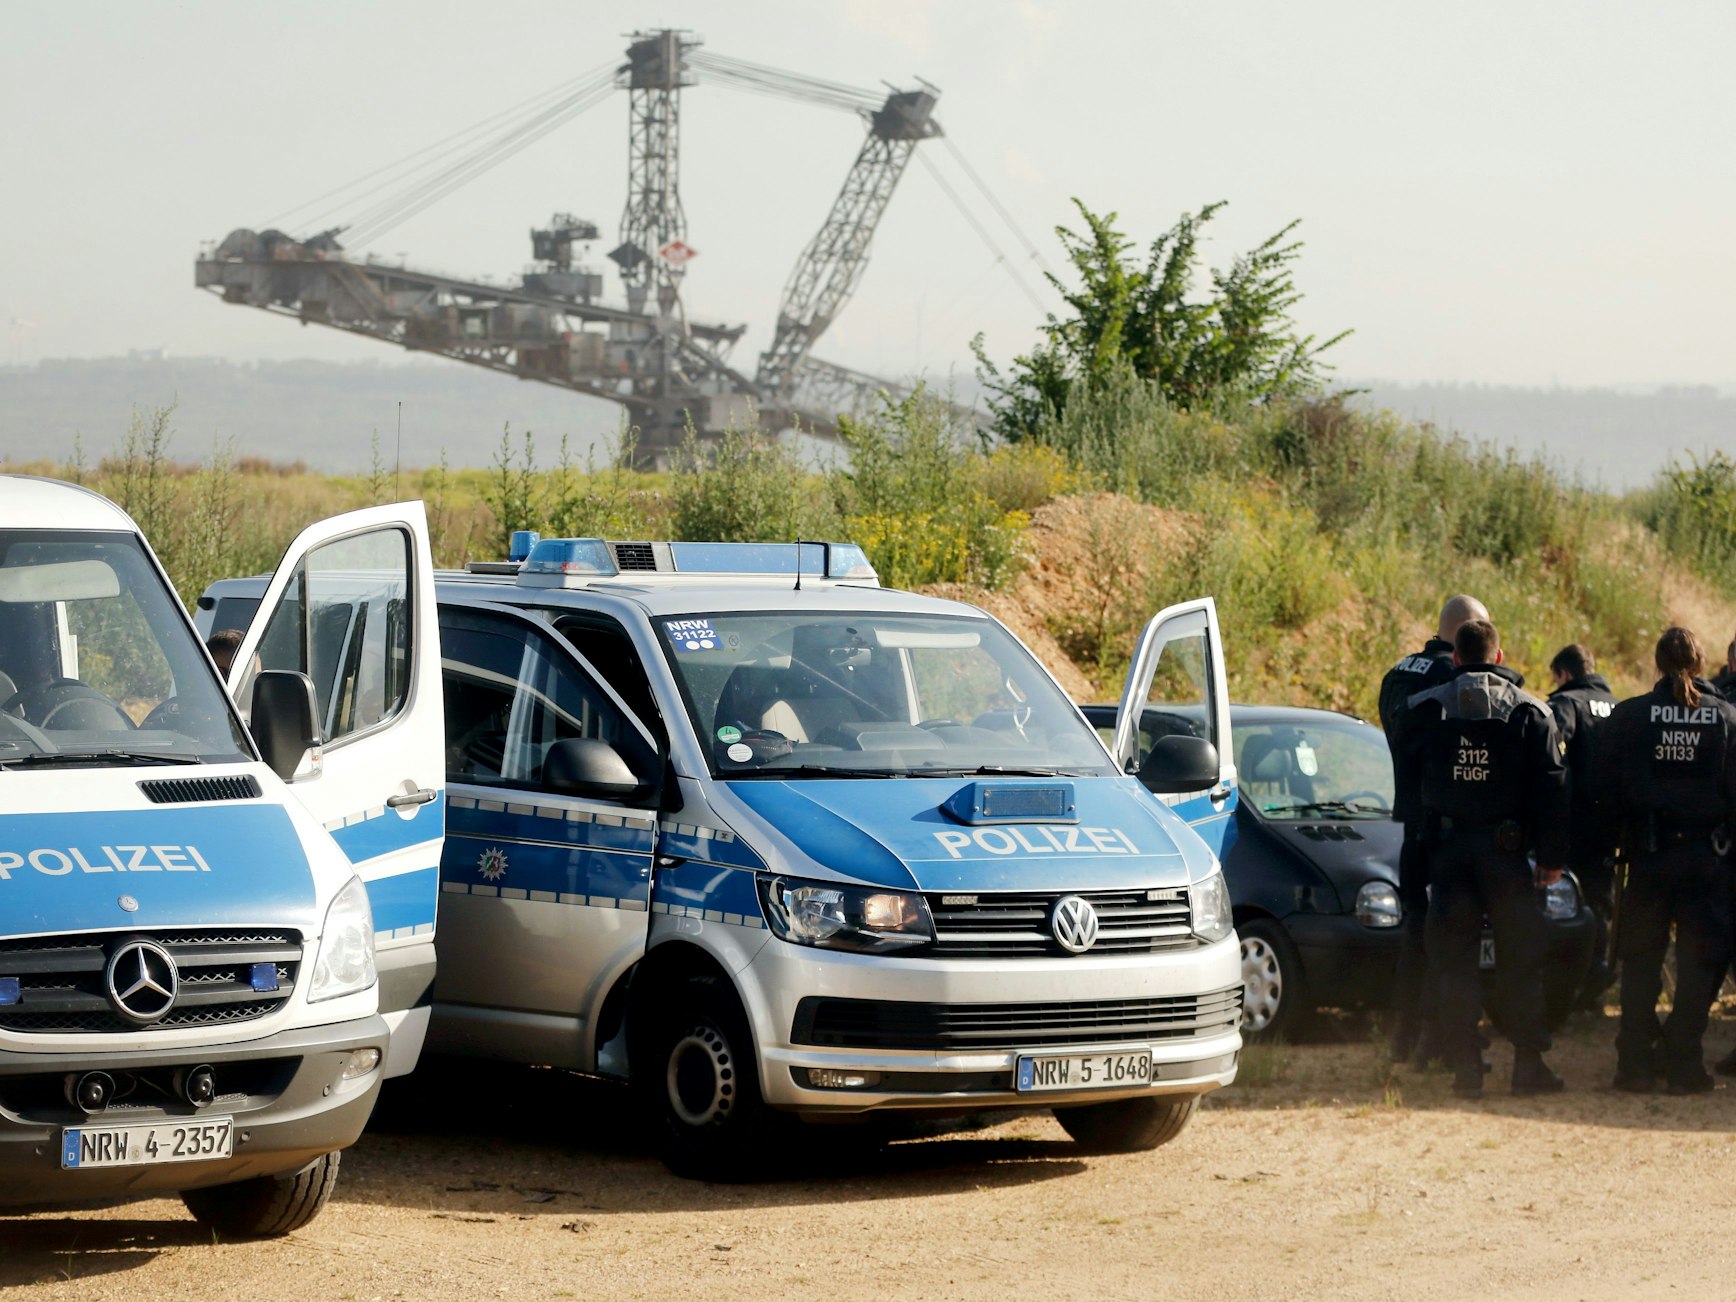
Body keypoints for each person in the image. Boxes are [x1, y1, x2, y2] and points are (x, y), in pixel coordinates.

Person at [1396, 618, 1569, 1097]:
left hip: (1448, 856)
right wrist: (1551, 857)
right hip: (1507, 857)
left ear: (1454, 658)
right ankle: (1528, 1067)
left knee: (1454, 965)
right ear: (1497, 656)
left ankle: (1466, 1071)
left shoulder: (1423, 708)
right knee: (1522, 961)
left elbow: (1407, 777)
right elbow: (1553, 787)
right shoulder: (1530, 712)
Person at [1592, 627, 1736, 1094]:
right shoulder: (1726, 719)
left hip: (1648, 858)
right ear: (1699, 662)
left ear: (1657, 663)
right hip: (1706, 860)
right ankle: (1683, 1063)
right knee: (1699, 965)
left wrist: (1609, 848)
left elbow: (1605, 793)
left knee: (1640, 963)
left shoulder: (1629, 717)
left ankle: (1633, 1064)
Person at [1378, 594, 1489, 1065]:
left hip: (1410, 822)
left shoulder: (1396, 674)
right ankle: (1439, 1040)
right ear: (1468, 632)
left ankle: (1404, 1037)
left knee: (1415, 930)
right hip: (1448, 824)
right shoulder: (1457, 678)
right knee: (1450, 936)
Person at [1546, 644, 1618, 1007]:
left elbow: (1550, 758)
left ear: (1565, 674)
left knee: (1568, 904)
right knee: (1600, 903)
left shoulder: (1566, 704)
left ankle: (1572, 980)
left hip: (1574, 825)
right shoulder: (1620, 707)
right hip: (1611, 827)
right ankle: (1597, 974)